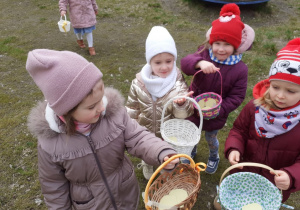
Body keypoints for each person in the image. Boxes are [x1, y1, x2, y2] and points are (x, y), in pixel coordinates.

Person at [26, 49, 179, 209]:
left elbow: (138, 137)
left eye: (101, 99)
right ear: (66, 111)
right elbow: (53, 187)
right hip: (91, 204)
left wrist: (161, 152)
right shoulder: (50, 144)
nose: (101, 107)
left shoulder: (114, 115)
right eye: (92, 106)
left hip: (125, 194)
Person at [180, 3, 255, 174]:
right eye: (218, 43)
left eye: (227, 45)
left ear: (236, 46)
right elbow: (185, 64)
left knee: (211, 137)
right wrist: (199, 62)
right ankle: (191, 150)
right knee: (193, 132)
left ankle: (214, 156)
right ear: (211, 42)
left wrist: (219, 110)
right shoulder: (204, 54)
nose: (221, 49)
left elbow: (237, 97)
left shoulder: (240, 69)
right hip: (194, 108)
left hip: (216, 114)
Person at [224, 38, 300, 203]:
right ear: (269, 83)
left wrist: (292, 176)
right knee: (239, 202)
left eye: (291, 91)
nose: (280, 95)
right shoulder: (255, 107)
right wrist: (234, 148)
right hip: (245, 173)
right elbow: (239, 130)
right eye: (275, 87)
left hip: (273, 184)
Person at [125, 26, 194, 180]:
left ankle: (167, 167)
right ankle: (148, 165)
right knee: (147, 151)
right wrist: (131, 129)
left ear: (174, 59)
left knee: (167, 155)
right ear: (150, 62)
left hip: (168, 133)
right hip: (145, 131)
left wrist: (181, 105)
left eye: (169, 61)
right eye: (158, 62)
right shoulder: (139, 83)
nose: (164, 67)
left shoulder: (177, 83)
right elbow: (132, 108)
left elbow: (184, 115)